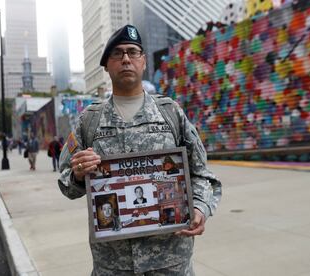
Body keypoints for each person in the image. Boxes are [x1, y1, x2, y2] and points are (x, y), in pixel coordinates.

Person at [58, 24, 221, 275]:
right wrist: (79, 175)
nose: (125, 59)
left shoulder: (170, 113)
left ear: (143, 61)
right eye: (117, 53)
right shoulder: (88, 121)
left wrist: (200, 207)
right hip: (113, 265)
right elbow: (65, 182)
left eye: (133, 52)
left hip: (170, 262)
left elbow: (202, 174)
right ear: (106, 66)